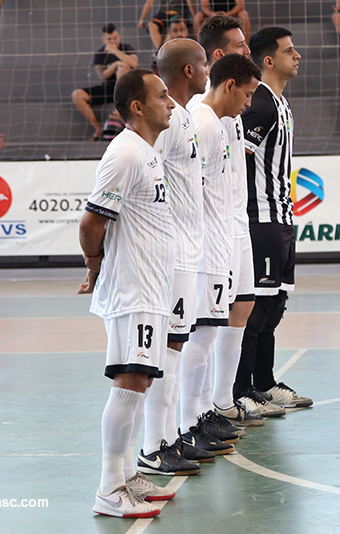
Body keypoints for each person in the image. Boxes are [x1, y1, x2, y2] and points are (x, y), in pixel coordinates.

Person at [78, 67, 178, 518]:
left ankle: (124, 477)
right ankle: (107, 488)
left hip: (152, 288)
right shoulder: (125, 154)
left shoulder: (148, 151)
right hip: (133, 289)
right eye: (162, 96)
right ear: (137, 107)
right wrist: (94, 265)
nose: (172, 103)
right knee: (131, 381)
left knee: (141, 381)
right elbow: (91, 221)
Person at [140, 39, 217, 470]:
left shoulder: (184, 116)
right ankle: (155, 445)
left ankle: (170, 435)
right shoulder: (165, 118)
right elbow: (147, 178)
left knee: (177, 346)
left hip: (190, 250)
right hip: (169, 253)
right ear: (189, 70)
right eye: (204, 63)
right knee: (167, 352)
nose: (209, 70)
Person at [189, 15, 265, 430]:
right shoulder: (204, 114)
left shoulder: (232, 112)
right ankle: (200, 410)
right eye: (240, 46)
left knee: (243, 305)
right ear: (220, 58)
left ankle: (221, 399)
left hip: (235, 224)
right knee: (206, 324)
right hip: (211, 234)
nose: (247, 50)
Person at [236, 27, 313, 416]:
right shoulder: (262, 105)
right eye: (289, 51)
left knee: (276, 305)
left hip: (282, 219)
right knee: (257, 309)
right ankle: (242, 390)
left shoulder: (280, 104)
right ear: (269, 61)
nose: (297, 55)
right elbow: (237, 160)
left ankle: (264, 384)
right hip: (260, 220)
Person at [72, 24, 139, 141]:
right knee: (77, 95)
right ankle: (98, 128)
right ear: (104, 40)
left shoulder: (126, 48)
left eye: (115, 38)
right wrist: (115, 65)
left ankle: (118, 108)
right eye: (109, 39)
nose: (113, 41)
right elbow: (102, 76)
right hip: (108, 87)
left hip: (127, 88)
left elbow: (134, 63)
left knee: (123, 67)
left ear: (119, 37)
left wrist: (115, 52)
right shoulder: (100, 53)